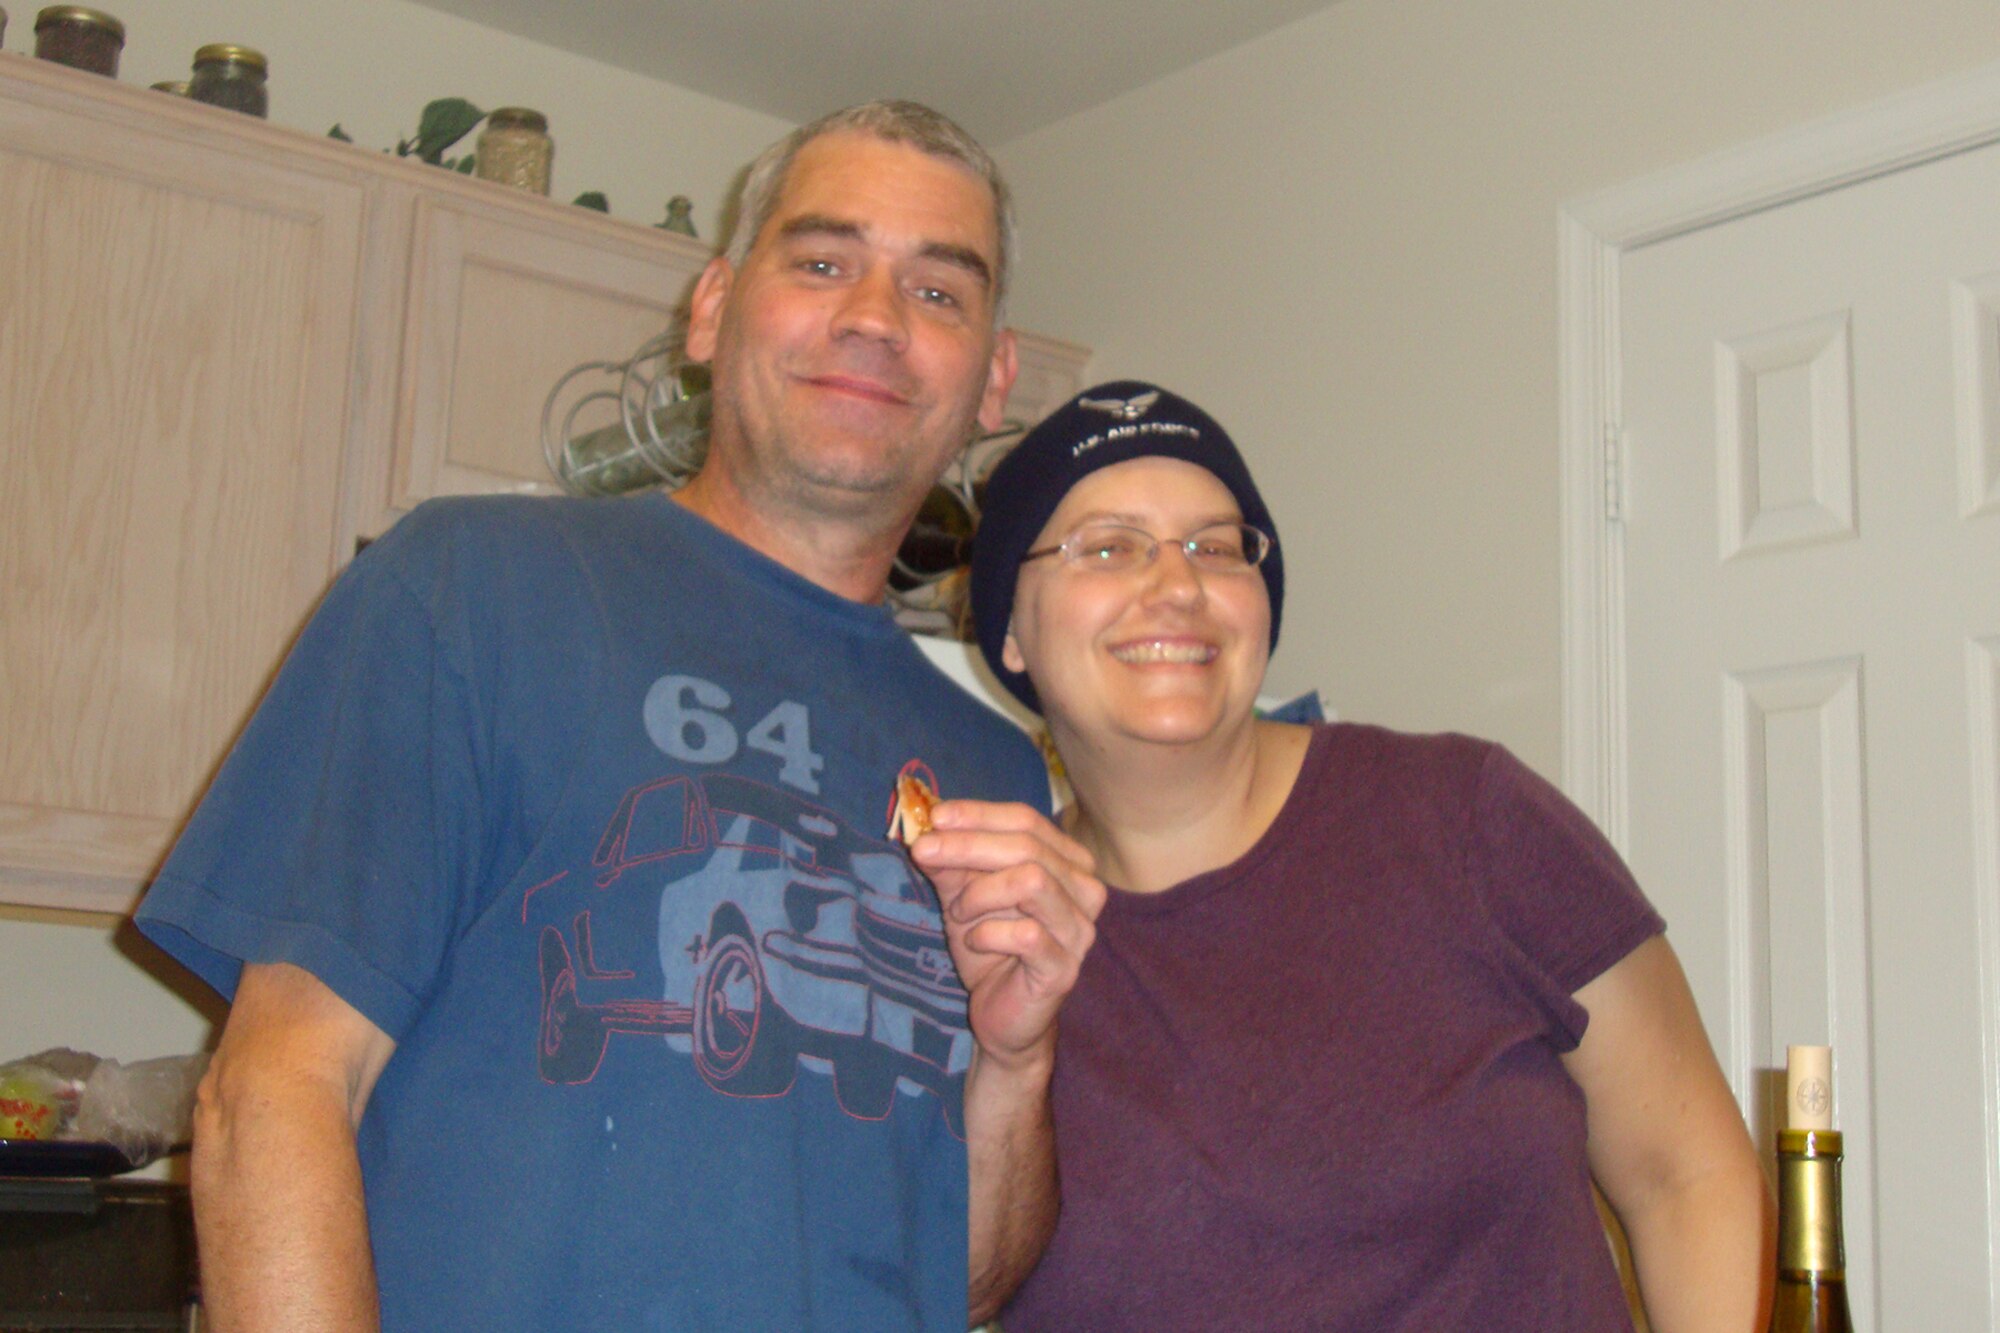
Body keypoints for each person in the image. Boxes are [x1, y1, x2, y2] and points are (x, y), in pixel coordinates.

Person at [134, 101, 1102, 1332]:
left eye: (937, 291)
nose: (874, 317)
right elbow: (271, 1094)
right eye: (821, 262)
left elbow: (961, 1281)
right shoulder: (470, 589)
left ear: (991, 381)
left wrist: (1016, 1060)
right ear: (711, 310)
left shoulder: (991, 773)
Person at [965, 381, 1773, 1331]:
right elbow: (950, 1276)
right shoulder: (987, 936)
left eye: (1216, 547)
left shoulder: (1468, 817)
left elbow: (1688, 1172)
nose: (1177, 584)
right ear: (1009, 630)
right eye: (1108, 546)